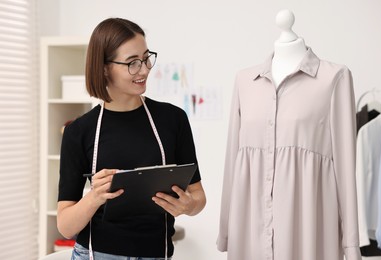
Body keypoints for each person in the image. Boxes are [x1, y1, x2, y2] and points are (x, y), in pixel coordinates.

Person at [217, 10, 362, 260]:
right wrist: (226, 230)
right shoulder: (245, 81)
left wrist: (351, 244)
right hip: (250, 229)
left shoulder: (334, 77)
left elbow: (346, 169)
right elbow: (233, 159)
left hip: (309, 226)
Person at [57, 17, 206, 260]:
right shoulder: (79, 132)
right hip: (97, 255)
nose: (144, 69)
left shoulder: (173, 119)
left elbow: (198, 197)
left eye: (146, 58)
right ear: (104, 67)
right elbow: (65, 226)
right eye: (132, 63)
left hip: (156, 254)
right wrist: (94, 197)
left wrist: (188, 206)